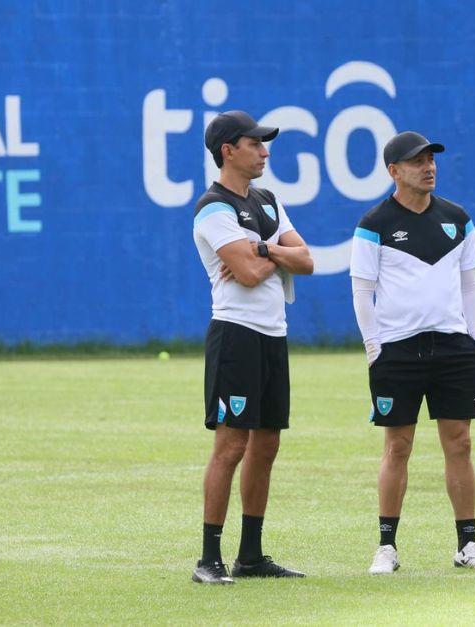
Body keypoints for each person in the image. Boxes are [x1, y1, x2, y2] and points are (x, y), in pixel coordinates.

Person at [349, 131, 475, 574]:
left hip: (455, 348)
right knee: (398, 446)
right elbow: (362, 291)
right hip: (397, 350)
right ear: (394, 171)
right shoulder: (374, 224)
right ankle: (386, 547)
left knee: (460, 443)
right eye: (417, 162)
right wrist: (373, 346)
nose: (428, 167)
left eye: (431, 160)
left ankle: (468, 544)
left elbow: (471, 284)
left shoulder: (458, 218)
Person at [191, 110, 314, 584]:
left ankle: (251, 556)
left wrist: (263, 249)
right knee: (231, 445)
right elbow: (244, 275)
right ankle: (208, 559)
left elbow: (306, 260)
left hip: (273, 335)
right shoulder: (213, 207)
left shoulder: (268, 200)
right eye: (255, 144)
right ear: (228, 151)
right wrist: (276, 254)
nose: (265, 152)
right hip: (235, 336)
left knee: (267, 444)